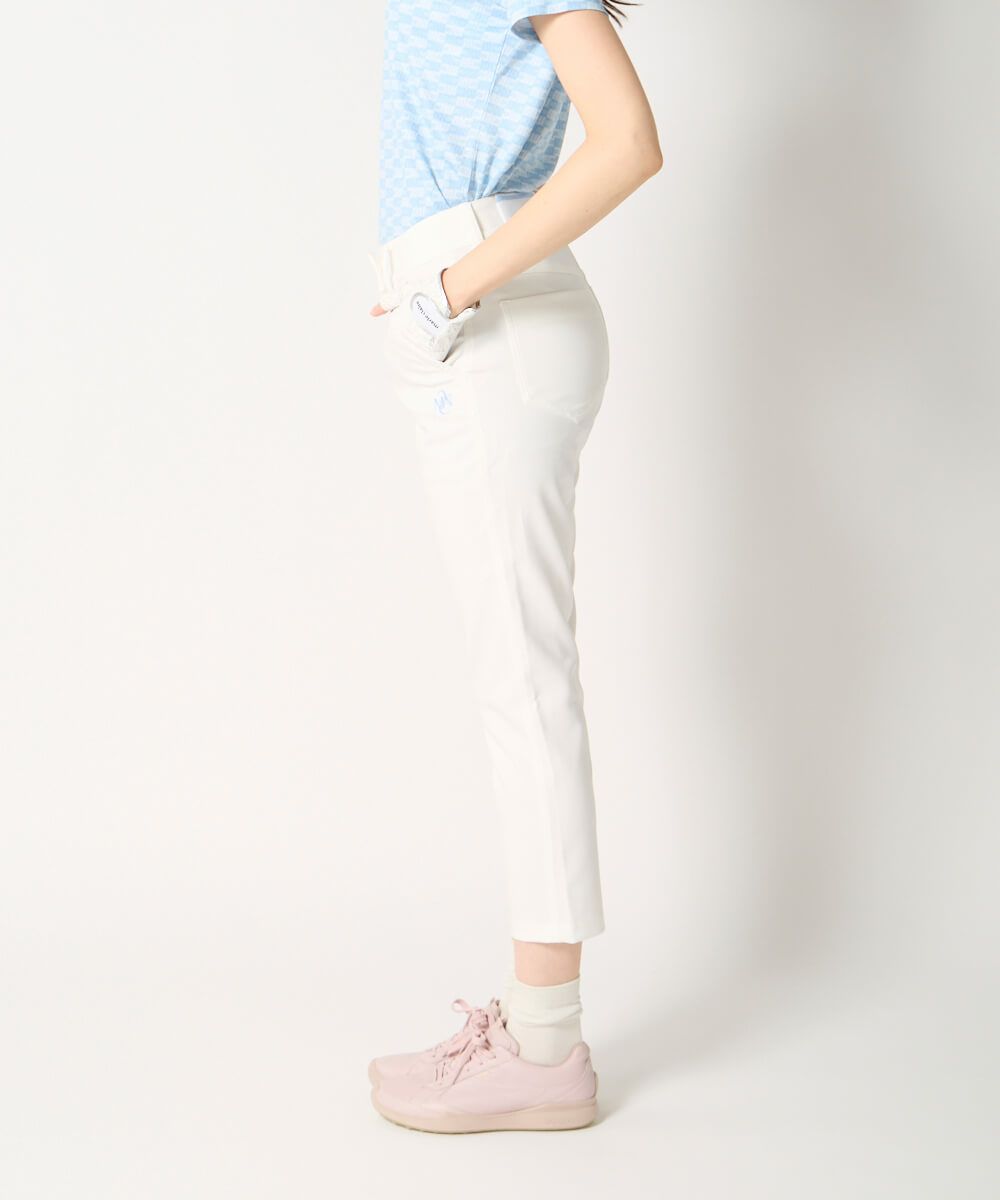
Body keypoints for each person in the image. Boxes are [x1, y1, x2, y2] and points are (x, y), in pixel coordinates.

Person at [366, 0, 661, 1133]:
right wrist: (426, 288)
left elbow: (627, 139)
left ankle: (543, 1047)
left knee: (524, 687)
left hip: (489, 316)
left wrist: (444, 289)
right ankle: (538, 1032)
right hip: (479, 308)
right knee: (518, 680)